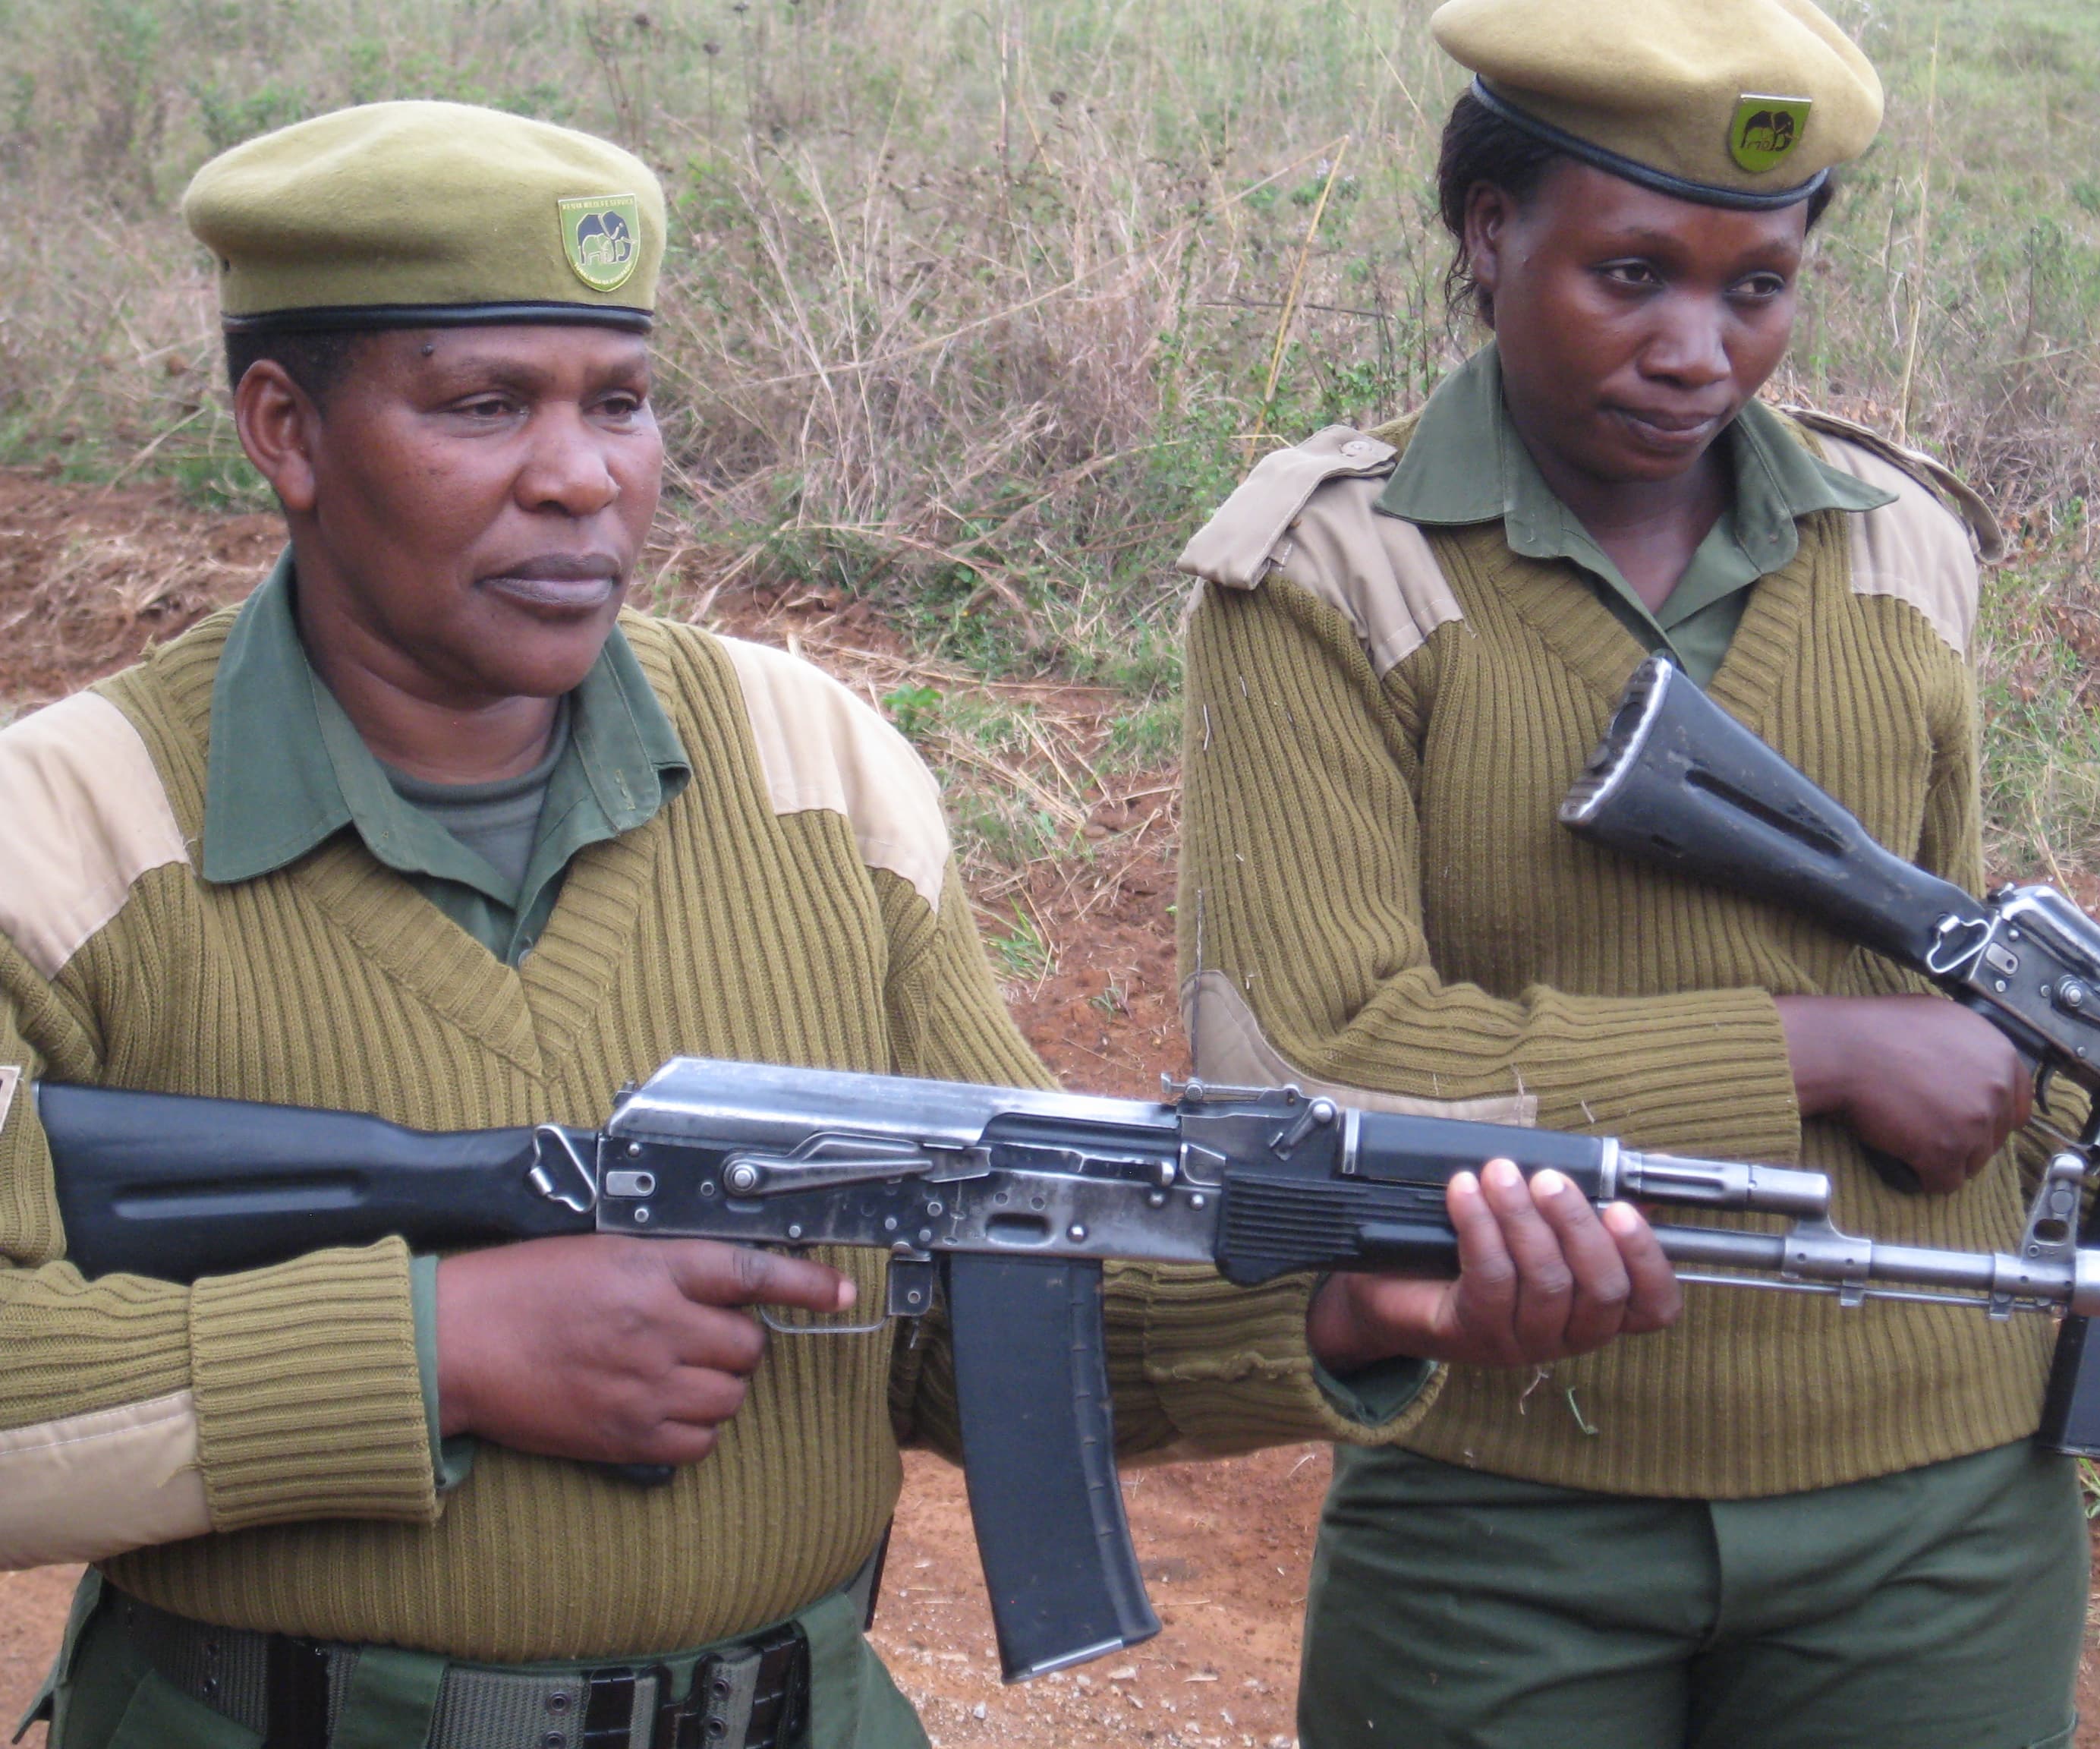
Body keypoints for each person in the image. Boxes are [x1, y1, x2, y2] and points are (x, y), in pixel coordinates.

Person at [0, 102, 1680, 1749]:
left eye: (626, 401)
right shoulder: (64, 838)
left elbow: (984, 1282)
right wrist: (442, 1348)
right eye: (487, 404)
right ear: (284, 428)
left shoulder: (818, 770)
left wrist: (1339, 1297)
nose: (584, 479)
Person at [1173, 2, 2100, 1744]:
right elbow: (1305, 1070)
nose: (1698, 351)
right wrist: (1819, 1050)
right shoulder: (1335, 574)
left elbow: (1990, 1019)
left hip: (1938, 1511)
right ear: (1491, 237)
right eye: (1631, 275)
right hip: (1507, 1500)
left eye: (1757, 288)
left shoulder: (1900, 546)